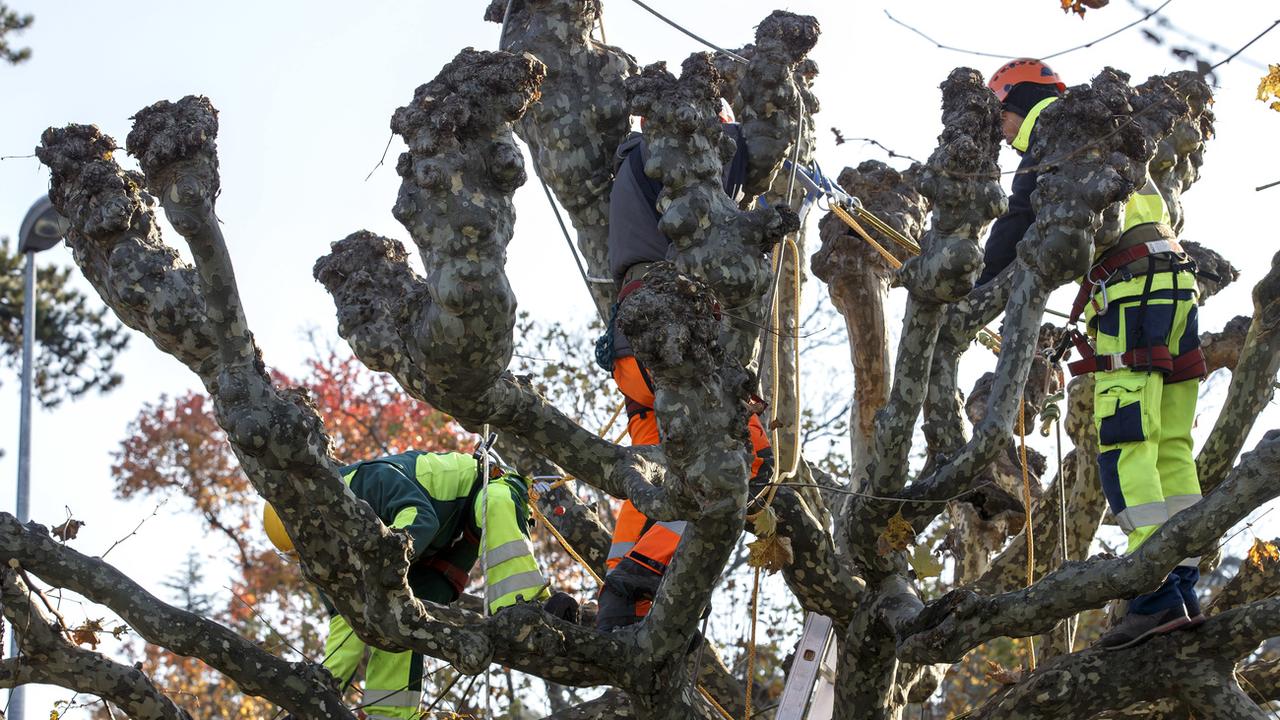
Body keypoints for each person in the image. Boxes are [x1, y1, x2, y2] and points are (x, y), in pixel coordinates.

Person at [594, 105, 774, 631]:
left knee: (658, 467)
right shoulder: (685, 151)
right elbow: (736, 163)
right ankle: (640, 578)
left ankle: (621, 602)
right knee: (747, 461)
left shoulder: (632, 165)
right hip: (672, 343)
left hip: (636, 352)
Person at [263, 450, 577, 719]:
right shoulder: (326, 565)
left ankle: (526, 610)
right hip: (433, 555)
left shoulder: (367, 482)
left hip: (475, 495)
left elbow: (419, 517)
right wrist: (315, 695)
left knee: (496, 501)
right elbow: (345, 627)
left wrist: (381, 570)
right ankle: (390, 714)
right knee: (394, 622)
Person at [975, 58, 1067, 285]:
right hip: (1155, 265)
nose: (1002, 137)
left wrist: (982, 281)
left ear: (1010, 109)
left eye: (1000, 121)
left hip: (1132, 287)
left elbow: (1022, 209)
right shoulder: (1081, 121)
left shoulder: (1050, 122)